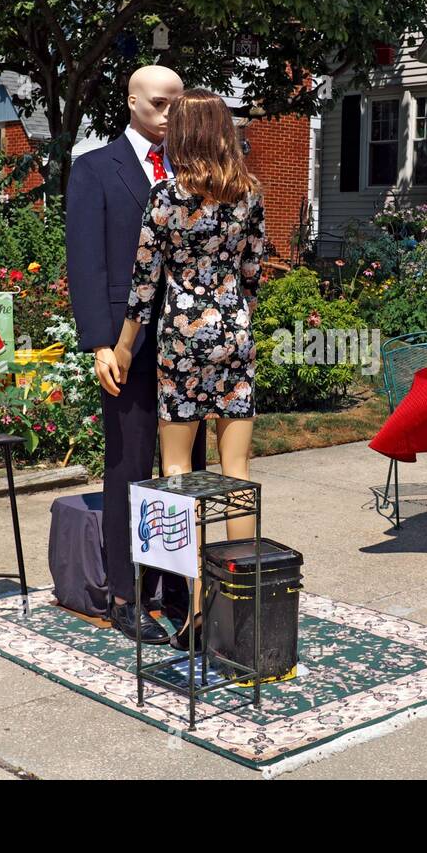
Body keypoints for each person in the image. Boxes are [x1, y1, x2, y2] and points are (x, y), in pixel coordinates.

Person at [105, 87, 266, 650]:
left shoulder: (164, 198)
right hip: (234, 334)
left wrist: (123, 347)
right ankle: (239, 608)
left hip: (180, 339)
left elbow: (143, 286)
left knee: (178, 474)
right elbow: (253, 274)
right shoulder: (248, 195)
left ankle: (196, 608)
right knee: (236, 472)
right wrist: (233, 314)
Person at [64, 65, 207, 644]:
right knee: (128, 465)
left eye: (179, 104)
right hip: (127, 344)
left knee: (187, 469)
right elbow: (87, 263)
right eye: (159, 104)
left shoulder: (197, 171)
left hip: (190, 344)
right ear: (130, 103)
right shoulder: (95, 170)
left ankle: (180, 587)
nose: (171, 115)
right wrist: (100, 341)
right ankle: (126, 593)